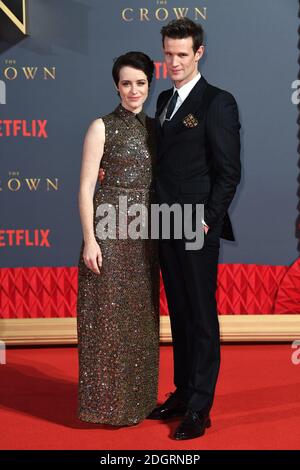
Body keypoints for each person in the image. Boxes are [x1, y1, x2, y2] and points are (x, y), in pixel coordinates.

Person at [147, 18, 241, 440]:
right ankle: (183, 393)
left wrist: (207, 220)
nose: (174, 61)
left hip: (195, 225)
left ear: (198, 53)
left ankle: (200, 408)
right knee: (181, 314)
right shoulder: (163, 98)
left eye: (182, 54)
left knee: (201, 317)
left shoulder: (218, 102)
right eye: (168, 53)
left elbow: (228, 172)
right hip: (164, 222)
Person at [77, 51, 160, 427]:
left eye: (140, 83)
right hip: (109, 232)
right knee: (107, 321)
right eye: (126, 83)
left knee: (139, 322)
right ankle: (106, 406)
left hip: (146, 235)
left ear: (149, 84)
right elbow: (84, 188)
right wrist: (90, 240)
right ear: (116, 85)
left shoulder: (156, 128)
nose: (133, 90)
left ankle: (139, 403)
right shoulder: (101, 126)